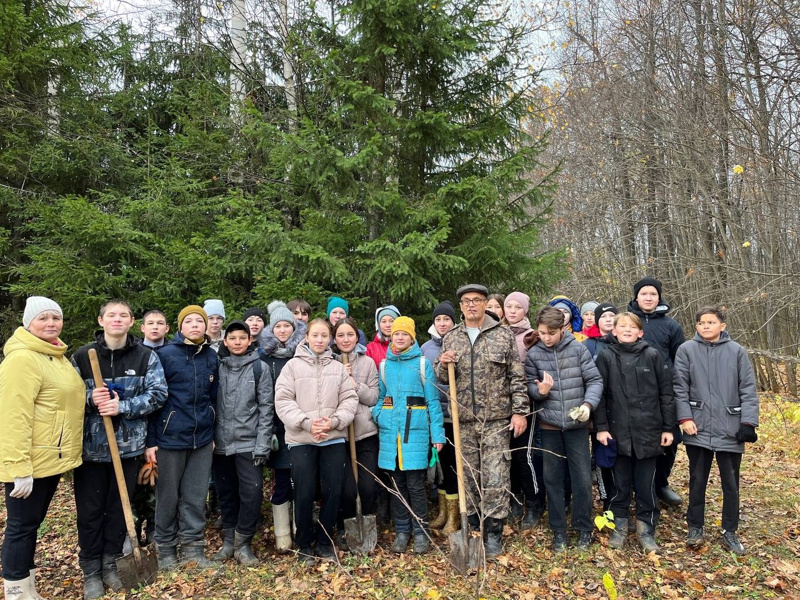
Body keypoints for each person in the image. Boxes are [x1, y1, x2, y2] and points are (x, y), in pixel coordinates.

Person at [71, 300, 168, 599]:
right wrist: (90, 399)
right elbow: (66, 395)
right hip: (89, 451)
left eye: (123, 315)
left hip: (127, 449)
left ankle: (111, 563)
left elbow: (158, 393)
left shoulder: (145, 356)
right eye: (111, 315)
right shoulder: (83, 356)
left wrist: (122, 406)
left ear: (131, 321)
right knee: (89, 512)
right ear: (100, 321)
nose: (117, 320)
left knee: (117, 509)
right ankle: (90, 571)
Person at [0, 297, 85, 600]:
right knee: (21, 526)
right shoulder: (23, 358)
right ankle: (16, 591)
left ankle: (28, 585)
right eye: (43, 318)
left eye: (56, 318)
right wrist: (18, 468)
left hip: (50, 458)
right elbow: (13, 416)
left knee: (31, 524)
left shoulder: (55, 355)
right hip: (31, 462)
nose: (51, 323)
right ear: (28, 323)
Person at [436, 284, 528, 558]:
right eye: (466, 301)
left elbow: (516, 376)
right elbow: (442, 378)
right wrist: (443, 363)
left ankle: (494, 533)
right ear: (461, 306)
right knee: (469, 476)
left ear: (486, 303)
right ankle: (474, 527)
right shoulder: (452, 337)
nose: (471, 305)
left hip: (495, 420)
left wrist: (519, 410)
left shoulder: (502, 335)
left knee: (496, 476)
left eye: (477, 300)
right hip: (463, 420)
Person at [674, 305, 759, 555]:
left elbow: (748, 389)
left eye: (711, 322)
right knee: (697, 480)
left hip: (730, 428)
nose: (706, 326)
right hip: (697, 427)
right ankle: (695, 527)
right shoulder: (686, 350)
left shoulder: (737, 352)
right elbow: (679, 387)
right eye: (701, 322)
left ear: (723, 326)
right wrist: (685, 418)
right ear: (696, 326)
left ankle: (729, 531)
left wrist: (748, 423)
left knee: (730, 483)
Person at [274, 319, 359, 565]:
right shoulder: (292, 367)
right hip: (302, 440)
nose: (320, 340)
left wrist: (333, 422)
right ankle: (304, 543)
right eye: (315, 335)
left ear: (329, 339)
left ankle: (324, 542)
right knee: (304, 491)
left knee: (333, 491)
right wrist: (307, 423)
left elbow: (349, 399)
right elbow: (283, 401)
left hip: (332, 439)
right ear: (307, 337)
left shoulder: (338, 368)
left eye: (324, 336)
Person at [594, 312, 675, 553]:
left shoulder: (652, 355)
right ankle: (619, 526)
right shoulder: (606, 356)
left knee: (646, 483)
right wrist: (601, 428)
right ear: (614, 331)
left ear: (640, 332)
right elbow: (599, 396)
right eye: (622, 326)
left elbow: (666, 394)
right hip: (617, 433)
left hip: (648, 432)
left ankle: (645, 528)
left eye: (632, 327)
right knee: (620, 484)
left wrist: (668, 427)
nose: (627, 330)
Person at [524, 306, 603, 552]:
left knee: (580, 479)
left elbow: (594, 380)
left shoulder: (578, 349)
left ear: (563, 329)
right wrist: (541, 392)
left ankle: (583, 529)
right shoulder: (534, 354)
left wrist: (588, 406)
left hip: (576, 425)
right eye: (542, 333)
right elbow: (529, 387)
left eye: (551, 333)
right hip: (549, 427)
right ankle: (558, 531)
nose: (546, 337)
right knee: (552, 478)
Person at [146, 305, 218, 571]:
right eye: (189, 321)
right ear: (179, 327)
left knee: (196, 496)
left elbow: (214, 396)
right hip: (170, 438)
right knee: (167, 496)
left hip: (202, 439)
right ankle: (165, 549)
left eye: (200, 320)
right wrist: (151, 441)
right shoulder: (164, 355)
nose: (195, 325)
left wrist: (212, 432)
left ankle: (192, 548)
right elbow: (154, 401)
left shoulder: (211, 356)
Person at [374, 317, 445, 554]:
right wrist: (379, 414)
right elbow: (382, 396)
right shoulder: (384, 365)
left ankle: (421, 530)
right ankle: (402, 530)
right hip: (390, 435)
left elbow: (432, 402)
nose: (400, 337)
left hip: (414, 434)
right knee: (397, 485)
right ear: (391, 337)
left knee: (415, 485)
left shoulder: (423, 364)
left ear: (412, 338)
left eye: (405, 334)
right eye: (396, 334)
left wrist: (438, 435)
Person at [211, 321, 274, 565]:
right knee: (226, 493)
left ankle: (243, 542)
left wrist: (262, 444)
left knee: (252, 491)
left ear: (250, 341)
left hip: (249, 443)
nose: (237, 342)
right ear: (225, 342)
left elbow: (266, 408)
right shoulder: (217, 367)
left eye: (242, 338)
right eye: (232, 338)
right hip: (220, 444)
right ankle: (229, 541)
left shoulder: (259, 368)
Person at [627, 277, 685, 507]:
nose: (648, 298)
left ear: (659, 297)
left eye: (652, 294)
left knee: (670, 440)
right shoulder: (628, 322)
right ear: (636, 297)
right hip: (632, 392)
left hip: (664, 392)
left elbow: (680, 360)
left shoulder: (671, 326)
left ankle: (661, 483)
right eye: (644, 294)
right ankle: (635, 486)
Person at [258, 301, 307, 553]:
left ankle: (301, 529)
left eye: (287, 325)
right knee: (281, 481)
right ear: (272, 328)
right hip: (275, 428)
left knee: (301, 480)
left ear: (294, 327)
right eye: (278, 326)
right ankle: (282, 535)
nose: (283, 330)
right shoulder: (263, 357)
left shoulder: (303, 353)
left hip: (300, 426)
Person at [331, 318, 380, 549]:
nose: (345, 339)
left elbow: (373, 397)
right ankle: (345, 527)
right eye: (340, 335)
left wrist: (353, 384)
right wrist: (339, 377)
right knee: (347, 488)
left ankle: (367, 523)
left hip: (365, 433)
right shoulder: (328, 363)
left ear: (357, 336)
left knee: (368, 485)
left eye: (349, 334)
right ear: (334, 338)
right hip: (340, 435)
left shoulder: (368, 363)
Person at [503, 292, 545, 530]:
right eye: (508, 306)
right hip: (501, 405)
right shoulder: (498, 334)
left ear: (525, 311)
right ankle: (514, 499)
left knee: (524, 455)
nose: (512, 310)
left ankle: (535, 503)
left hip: (526, 404)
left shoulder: (532, 337)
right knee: (506, 456)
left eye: (517, 307)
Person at [420, 301, 459, 535]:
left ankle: (455, 516)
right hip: (436, 418)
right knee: (441, 465)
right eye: (438, 320)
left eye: (446, 319)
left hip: (456, 416)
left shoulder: (461, 342)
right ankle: (443, 512)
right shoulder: (426, 348)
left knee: (454, 467)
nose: (442, 323)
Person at [582, 302, 619, 510]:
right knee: (602, 455)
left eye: (612, 315)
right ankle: (607, 502)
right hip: (597, 408)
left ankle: (621, 500)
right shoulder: (588, 345)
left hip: (620, 410)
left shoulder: (623, 341)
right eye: (603, 316)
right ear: (596, 320)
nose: (608, 319)